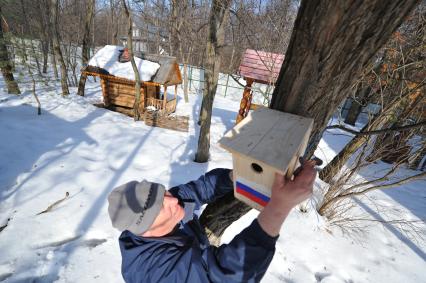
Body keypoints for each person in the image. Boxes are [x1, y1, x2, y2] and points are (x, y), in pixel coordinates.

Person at [107, 160, 317, 283]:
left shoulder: (169, 209)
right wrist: (279, 207)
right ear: (146, 229)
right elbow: (222, 275)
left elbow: (200, 189)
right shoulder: (154, 270)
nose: (172, 199)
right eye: (162, 205)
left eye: (163, 193)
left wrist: (234, 176)